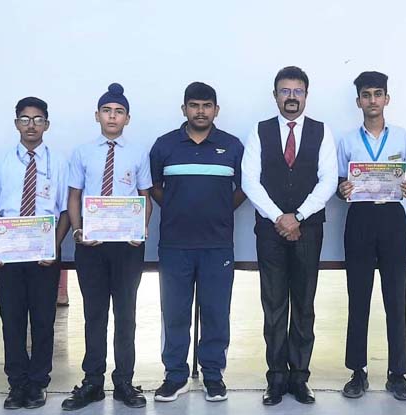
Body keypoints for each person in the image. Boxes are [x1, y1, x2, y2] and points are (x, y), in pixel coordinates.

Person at [241, 66, 337, 405]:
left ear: (306, 96)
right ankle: (276, 379)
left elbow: (329, 180)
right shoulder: (260, 131)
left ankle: (300, 378)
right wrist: (279, 217)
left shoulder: (322, 132)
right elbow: (250, 180)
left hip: (308, 230)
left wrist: (298, 217)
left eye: (298, 91)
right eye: (285, 91)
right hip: (270, 231)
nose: (291, 97)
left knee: (304, 305)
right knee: (274, 304)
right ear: (275, 95)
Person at [149, 82, 245, 403]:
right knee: (174, 312)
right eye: (194, 105)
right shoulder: (164, 145)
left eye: (206, 106)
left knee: (216, 312)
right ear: (184, 109)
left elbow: (243, 188)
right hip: (175, 245)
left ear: (216, 110)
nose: (200, 111)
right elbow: (154, 187)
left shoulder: (232, 146)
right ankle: (175, 376)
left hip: (217, 245)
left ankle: (213, 376)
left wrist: (220, 210)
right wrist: (177, 208)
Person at [61, 83, 152, 410]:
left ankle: (124, 381)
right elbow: (74, 196)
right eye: (107, 111)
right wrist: (78, 231)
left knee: (126, 314)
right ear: (97, 115)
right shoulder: (82, 152)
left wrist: (141, 228)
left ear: (127, 118)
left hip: (127, 246)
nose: (112, 116)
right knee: (95, 314)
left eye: (119, 112)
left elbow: (144, 196)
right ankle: (92, 381)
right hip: (92, 245)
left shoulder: (138, 152)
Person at [0, 97, 70, 410]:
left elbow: (65, 211)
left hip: (44, 256)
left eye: (37, 119)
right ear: (16, 123)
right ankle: (17, 384)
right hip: (8, 256)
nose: (31, 125)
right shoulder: (2, 162)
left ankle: (38, 383)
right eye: (24, 119)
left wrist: (54, 246)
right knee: (12, 321)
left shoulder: (58, 163)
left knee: (44, 321)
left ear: (46, 124)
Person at [335, 71, 406, 401]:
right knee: (359, 296)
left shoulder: (402, 137)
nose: (372, 100)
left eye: (378, 94)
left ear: (387, 99)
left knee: (396, 298)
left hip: (393, 219)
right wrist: (342, 189)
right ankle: (357, 372)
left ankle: (398, 374)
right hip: (360, 218)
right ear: (358, 101)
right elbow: (340, 184)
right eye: (366, 95)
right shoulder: (347, 141)